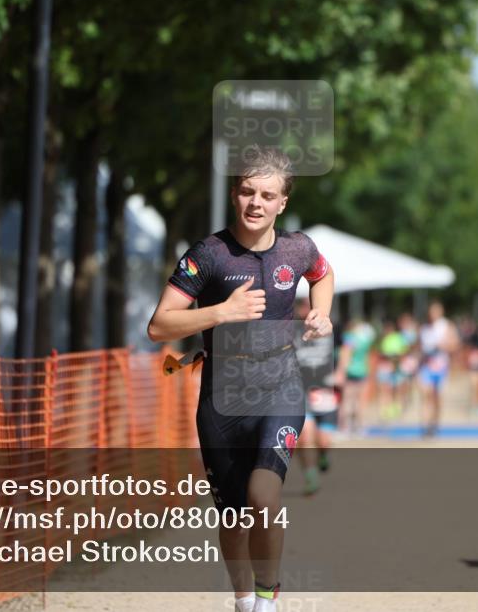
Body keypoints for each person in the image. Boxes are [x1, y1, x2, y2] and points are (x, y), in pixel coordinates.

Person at [147, 146, 335, 611]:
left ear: (282, 203)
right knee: (232, 515)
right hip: (222, 397)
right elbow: (159, 326)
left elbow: (323, 274)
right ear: (234, 194)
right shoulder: (208, 256)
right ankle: (243, 598)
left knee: (263, 495)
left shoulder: (298, 248)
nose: (256, 202)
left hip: (280, 386)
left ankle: (268, 599)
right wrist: (220, 313)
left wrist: (321, 312)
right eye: (248, 191)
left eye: (267, 195)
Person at [293, 299, 338, 495]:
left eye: (308, 304)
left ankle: (323, 455)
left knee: (324, 440)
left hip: (325, 388)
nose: (305, 309)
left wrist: (341, 371)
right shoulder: (290, 329)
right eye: (302, 305)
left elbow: (345, 349)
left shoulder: (330, 326)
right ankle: (311, 477)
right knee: (304, 437)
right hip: (299, 390)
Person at [418, 301, 456, 437]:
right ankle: (425, 426)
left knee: (437, 398)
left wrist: (442, 346)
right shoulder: (424, 328)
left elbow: (454, 345)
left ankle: (435, 423)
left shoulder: (446, 326)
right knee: (426, 395)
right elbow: (419, 347)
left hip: (441, 367)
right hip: (426, 367)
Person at [334, 318, 374, 435]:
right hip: (362, 371)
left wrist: (340, 371)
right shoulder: (365, 340)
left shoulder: (349, 338)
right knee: (359, 401)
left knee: (347, 400)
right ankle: (359, 426)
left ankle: (344, 427)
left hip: (350, 371)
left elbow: (345, 355)